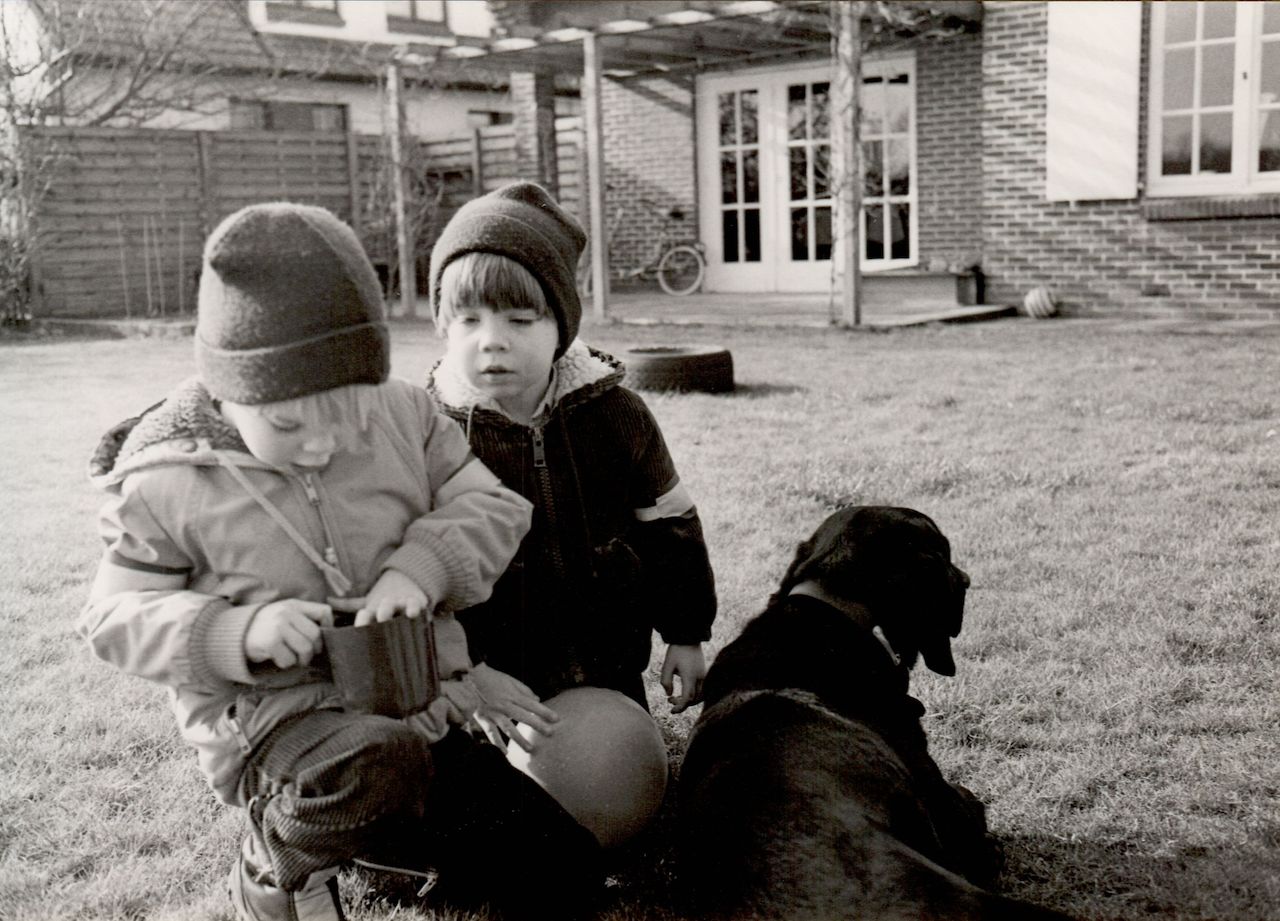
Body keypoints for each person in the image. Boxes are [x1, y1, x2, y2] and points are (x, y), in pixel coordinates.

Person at [77, 202, 603, 921]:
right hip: (279, 726)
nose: (324, 444)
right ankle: (277, 856)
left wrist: (420, 566)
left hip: (419, 707)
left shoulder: (405, 413)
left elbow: (497, 508)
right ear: (230, 392)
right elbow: (111, 617)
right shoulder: (167, 479)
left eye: (350, 414)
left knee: (563, 870)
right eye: (290, 423)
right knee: (376, 762)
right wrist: (237, 633)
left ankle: (386, 842)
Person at [426, 181, 718, 725]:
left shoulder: (617, 414)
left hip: (609, 658)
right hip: (492, 674)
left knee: (618, 776)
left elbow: (670, 526)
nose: (491, 340)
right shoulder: (429, 435)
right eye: (469, 320)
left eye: (518, 319)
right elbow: (416, 580)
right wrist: (467, 671)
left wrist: (685, 633)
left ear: (560, 326)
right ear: (443, 325)